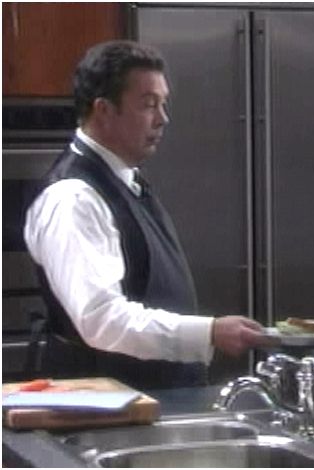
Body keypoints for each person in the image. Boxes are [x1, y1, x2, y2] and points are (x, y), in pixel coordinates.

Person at [24, 40, 268, 389]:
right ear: (104, 110)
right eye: (148, 104)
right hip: (110, 408)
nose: (162, 118)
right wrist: (209, 332)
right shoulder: (74, 198)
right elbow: (102, 320)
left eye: (163, 104)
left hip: (154, 400)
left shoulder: (125, 181)